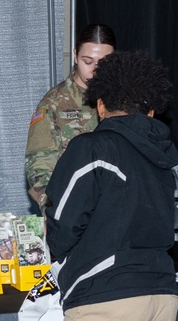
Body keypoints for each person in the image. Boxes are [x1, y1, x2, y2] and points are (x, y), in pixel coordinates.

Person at [45, 50, 178, 321]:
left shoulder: (91, 148)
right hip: (160, 298)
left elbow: (64, 220)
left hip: (105, 296)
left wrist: (60, 258)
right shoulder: (164, 162)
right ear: (152, 110)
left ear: (101, 105)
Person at [26, 23, 115, 211]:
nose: (95, 71)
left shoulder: (122, 101)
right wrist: (49, 207)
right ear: (75, 55)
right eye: (88, 61)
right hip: (72, 208)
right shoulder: (54, 103)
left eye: (104, 63)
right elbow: (40, 162)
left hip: (113, 207)